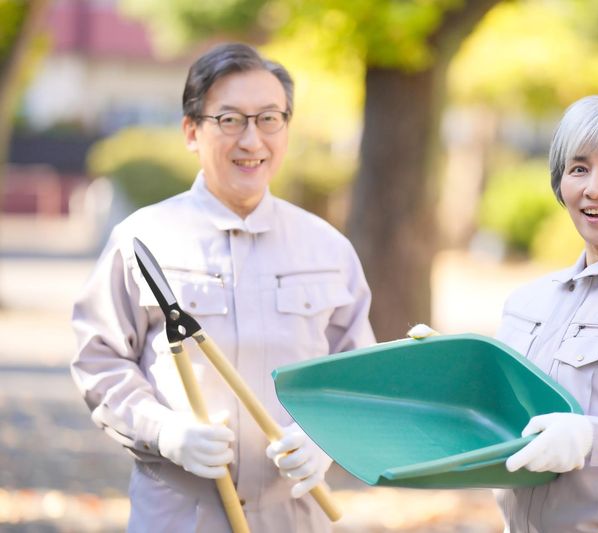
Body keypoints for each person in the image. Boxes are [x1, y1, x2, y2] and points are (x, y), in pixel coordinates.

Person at [71, 42, 375, 532]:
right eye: (230, 120)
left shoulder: (329, 249)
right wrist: (163, 431)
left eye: (269, 119)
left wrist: (327, 439)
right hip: (178, 519)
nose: (252, 141)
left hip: (297, 518)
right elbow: (99, 361)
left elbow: (360, 377)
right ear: (192, 131)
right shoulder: (142, 240)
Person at [411, 95, 598, 531]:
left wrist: (594, 439)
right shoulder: (528, 300)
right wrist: (447, 372)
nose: (594, 187)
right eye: (578, 169)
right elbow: (501, 420)